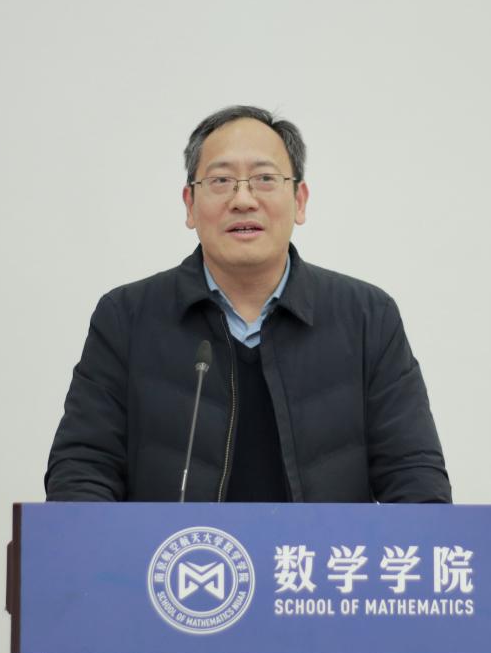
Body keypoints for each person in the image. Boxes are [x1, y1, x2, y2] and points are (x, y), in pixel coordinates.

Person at [44, 105, 451, 503]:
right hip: (176, 552)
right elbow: (82, 469)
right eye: (221, 180)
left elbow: (415, 478)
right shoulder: (127, 318)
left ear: (300, 200)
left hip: (313, 552)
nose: (243, 200)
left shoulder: (367, 318)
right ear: (189, 204)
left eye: (264, 179)